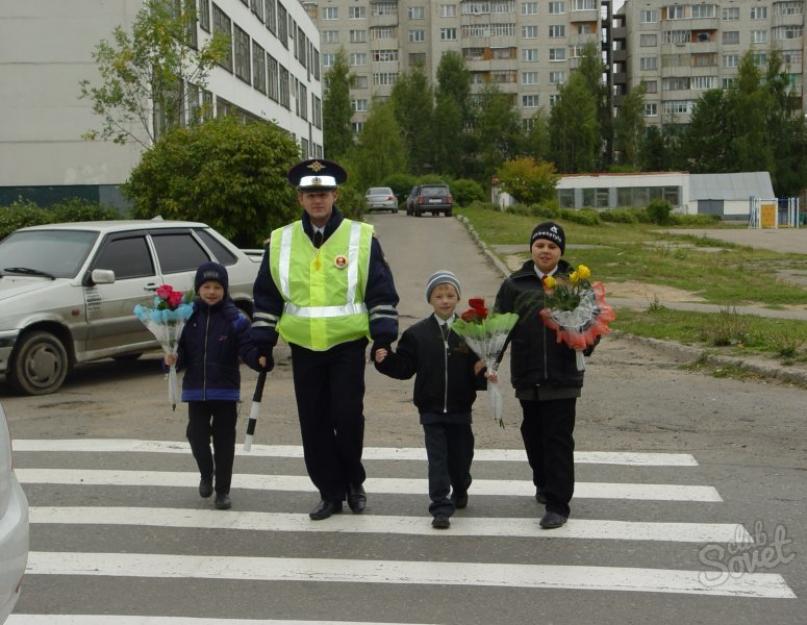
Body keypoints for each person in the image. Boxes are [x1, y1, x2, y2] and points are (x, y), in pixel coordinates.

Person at [250, 158, 399, 521]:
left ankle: (353, 482)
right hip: (304, 348)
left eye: (324, 193)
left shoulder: (361, 237)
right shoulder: (281, 241)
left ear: (335, 195)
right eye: (310, 194)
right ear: (300, 199)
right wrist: (261, 343)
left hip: (347, 345)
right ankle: (329, 492)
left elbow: (380, 291)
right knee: (313, 422)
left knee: (348, 418)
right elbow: (267, 296)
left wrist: (382, 338)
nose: (318, 200)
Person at [493, 221, 594, 530]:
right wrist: (489, 360)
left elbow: (593, 321)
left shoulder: (574, 284)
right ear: (532, 249)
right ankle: (543, 480)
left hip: (564, 375)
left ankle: (558, 503)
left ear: (560, 251)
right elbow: (500, 327)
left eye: (552, 246)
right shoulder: (515, 284)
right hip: (528, 373)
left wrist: (585, 341)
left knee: (558, 438)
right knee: (533, 434)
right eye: (540, 245)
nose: (545, 251)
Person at [374, 271, 491, 530]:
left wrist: (483, 372)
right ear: (430, 300)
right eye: (439, 296)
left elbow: (478, 370)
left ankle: (460, 487)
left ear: (458, 298)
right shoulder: (417, 334)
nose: (445, 300)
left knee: (461, 458)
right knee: (437, 460)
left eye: (450, 295)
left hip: (461, 409)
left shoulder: (470, 331)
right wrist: (386, 361)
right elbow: (405, 367)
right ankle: (440, 507)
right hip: (431, 409)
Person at [165, 261, 260, 511]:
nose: (211, 292)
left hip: (226, 392)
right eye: (206, 286)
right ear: (198, 289)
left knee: (224, 442)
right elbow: (180, 352)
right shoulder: (186, 317)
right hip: (195, 391)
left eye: (217, 287)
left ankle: (222, 491)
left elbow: (247, 348)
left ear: (225, 289)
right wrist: (172, 360)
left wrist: (258, 360)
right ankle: (207, 473)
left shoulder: (235, 319)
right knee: (195, 435)